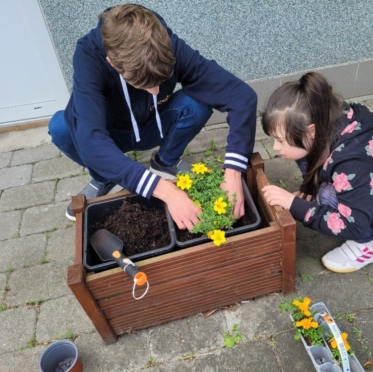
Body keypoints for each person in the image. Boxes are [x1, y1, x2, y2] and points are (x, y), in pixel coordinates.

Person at [48, 4, 257, 230]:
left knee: (197, 103)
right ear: (112, 63)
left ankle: (164, 162)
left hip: (152, 125)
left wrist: (234, 172)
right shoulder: (88, 57)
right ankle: (104, 177)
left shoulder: (166, 43)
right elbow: (90, 140)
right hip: (111, 133)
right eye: (145, 85)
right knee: (62, 127)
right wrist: (166, 190)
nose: (156, 91)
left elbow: (241, 97)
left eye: (161, 81)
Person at [261, 72, 373, 273]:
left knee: (327, 193)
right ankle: (327, 193)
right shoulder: (331, 116)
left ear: (311, 131)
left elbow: (352, 225)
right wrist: (308, 187)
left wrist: (295, 206)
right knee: (301, 154)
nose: (275, 147)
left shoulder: (352, 163)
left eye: (280, 140)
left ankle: (370, 245)